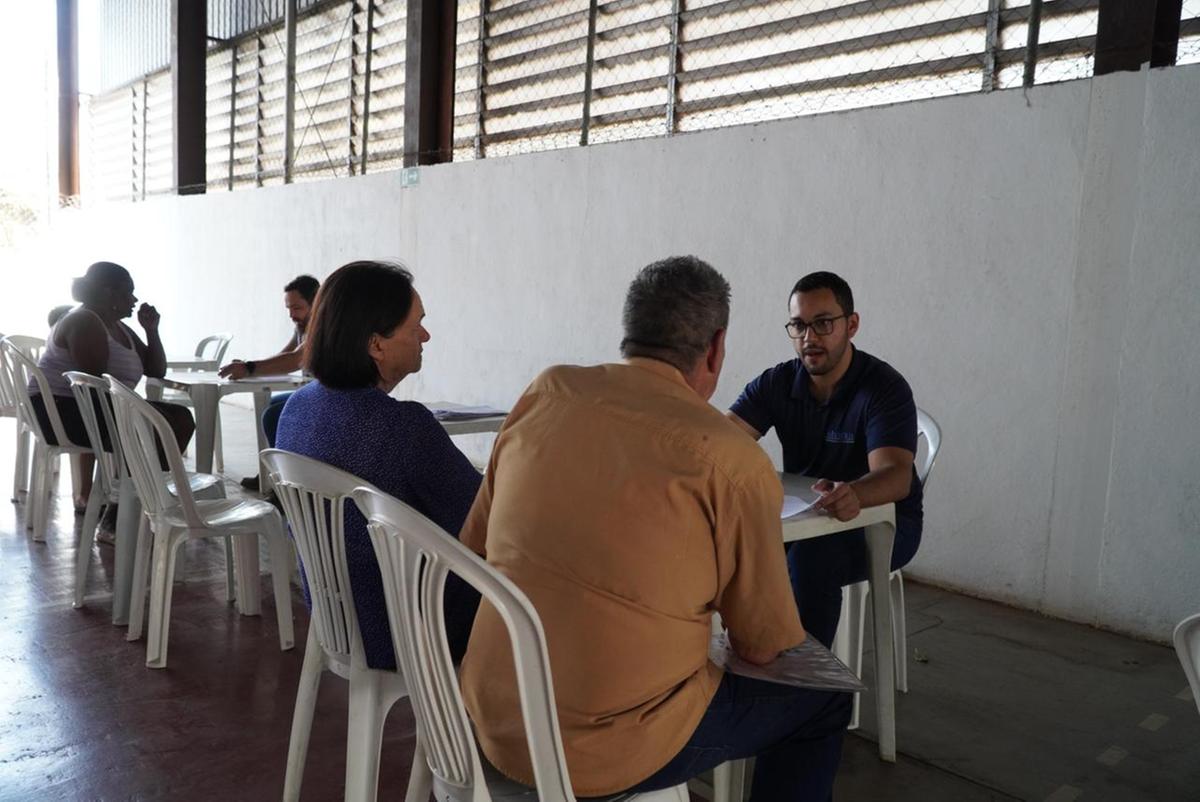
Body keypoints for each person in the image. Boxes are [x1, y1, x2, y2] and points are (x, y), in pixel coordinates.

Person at [459, 256, 850, 799]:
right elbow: (762, 646)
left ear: (630, 333)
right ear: (715, 348)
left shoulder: (546, 392)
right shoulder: (731, 461)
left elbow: (473, 547)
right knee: (825, 699)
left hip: (485, 714)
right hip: (604, 752)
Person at [274, 260, 481, 668]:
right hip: (408, 627)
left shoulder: (297, 408)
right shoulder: (402, 428)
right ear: (376, 344)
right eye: (415, 325)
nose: (425, 335)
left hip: (338, 618)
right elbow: (484, 520)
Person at [727, 271, 923, 649]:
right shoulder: (777, 383)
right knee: (737, 541)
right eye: (799, 326)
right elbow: (721, 444)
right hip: (805, 517)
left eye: (823, 324)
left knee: (811, 560)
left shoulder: (883, 387)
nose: (809, 338)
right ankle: (752, 662)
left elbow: (895, 475)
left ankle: (811, 695)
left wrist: (855, 493)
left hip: (883, 523)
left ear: (851, 325)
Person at [31, 261, 195, 517]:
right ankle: (122, 514)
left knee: (182, 419)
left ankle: (142, 502)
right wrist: (139, 414)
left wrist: (152, 331)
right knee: (148, 429)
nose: (134, 298)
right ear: (109, 293)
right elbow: (96, 385)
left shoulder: (119, 327)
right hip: (63, 414)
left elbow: (156, 370)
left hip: (95, 409)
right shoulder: (83, 321)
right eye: (128, 291)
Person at [218, 274, 319, 492]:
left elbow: (296, 359)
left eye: (297, 308)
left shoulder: (322, 324)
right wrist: (250, 368)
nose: (292, 315)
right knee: (271, 406)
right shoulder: (302, 325)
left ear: (316, 302)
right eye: (289, 309)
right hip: (310, 391)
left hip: (326, 395)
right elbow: (286, 354)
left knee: (274, 415)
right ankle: (273, 475)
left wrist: (250, 367)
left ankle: (287, 486)